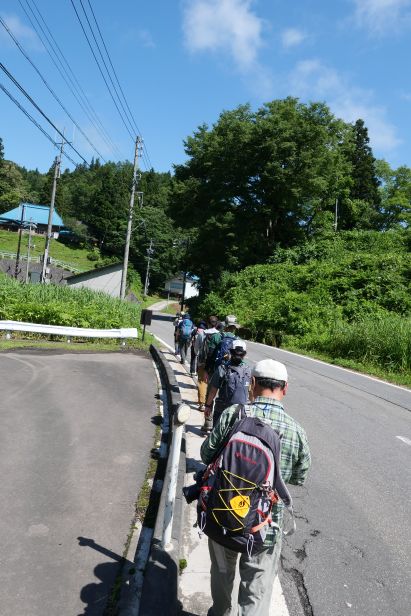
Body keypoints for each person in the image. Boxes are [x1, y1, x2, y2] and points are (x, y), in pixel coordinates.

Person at [200, 359, 311, 616]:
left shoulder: (234, 414)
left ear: (252, 383)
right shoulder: (296, 431)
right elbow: (299, 477)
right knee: (256, 591)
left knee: (222, 574)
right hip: (264, 526)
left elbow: (206, 454)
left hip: (223, 514)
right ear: (285, 388)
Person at [202, 340, 251, 431]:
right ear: (244, 355)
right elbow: (250, 392)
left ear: (230, 352)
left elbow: (213, 391)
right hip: (241, 413)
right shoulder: (248, 370)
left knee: (217, 436)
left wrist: (208, 406)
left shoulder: (222, 368)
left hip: (222, 411)